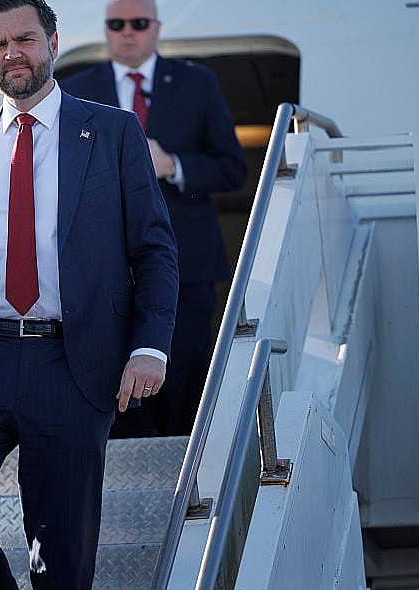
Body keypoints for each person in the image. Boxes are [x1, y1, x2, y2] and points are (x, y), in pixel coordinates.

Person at [0, 1, 178, 588]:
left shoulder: (113, 132)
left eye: (23, 39)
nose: (11, 54)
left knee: (63, 546)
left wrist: (149, 347)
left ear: (51, 40)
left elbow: (154, 250)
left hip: (71, 362)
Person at [60, 0, 247, 437]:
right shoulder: (74, 89)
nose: (128, 32)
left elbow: (233, 170)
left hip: (188, 265)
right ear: (106, 30)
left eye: (139, 23)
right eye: (117, 24)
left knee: (184, 381)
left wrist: (173, 165)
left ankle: (192, 486)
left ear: (156, 28)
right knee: (116, 388)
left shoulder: (197, 84)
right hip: (105, 270)